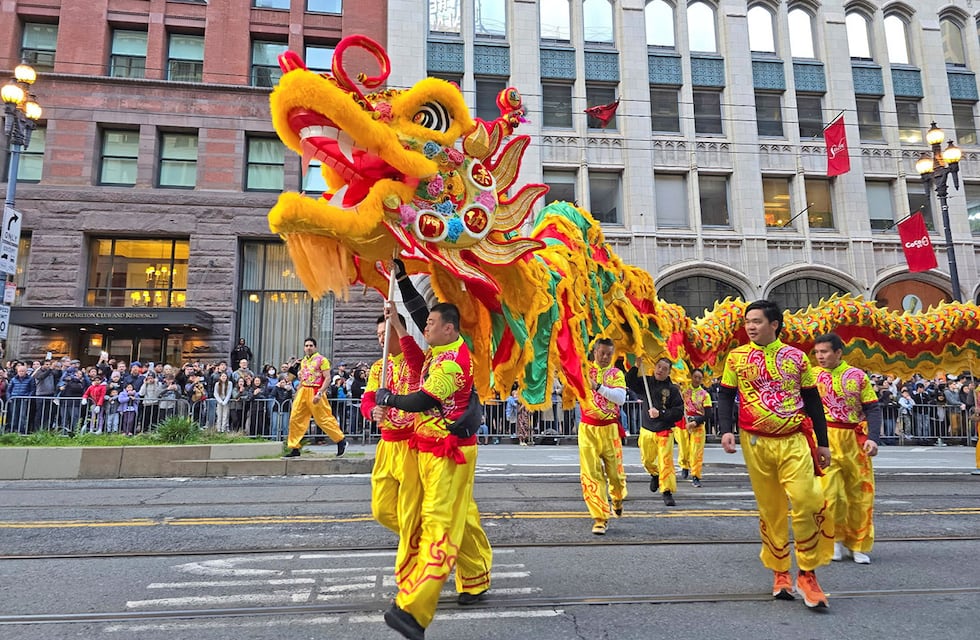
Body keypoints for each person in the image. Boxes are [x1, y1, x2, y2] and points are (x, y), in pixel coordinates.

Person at [374, 302, 492, 640]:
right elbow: (417, 319)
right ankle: (475, 575)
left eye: (429, 323)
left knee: (438, 525)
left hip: (447, 454)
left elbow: (422, 400)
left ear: (449, 328)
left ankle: (413, 609)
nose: (423, 327)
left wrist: (389, 398)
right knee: (460, 517)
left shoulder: (453, 362)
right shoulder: (436, 350)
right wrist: (401, 282)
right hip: (423, 449)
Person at [717, 299, 833, 609]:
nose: (750, 327)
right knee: (772, 509)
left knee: (809, 500)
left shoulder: (796, 358)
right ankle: (781, 572)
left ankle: (808, 573)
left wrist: (823, 442)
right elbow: (727, 394)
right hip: (755, 442)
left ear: (774, 324)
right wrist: (725, 429)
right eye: (747, 322)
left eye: (756, 321)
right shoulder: (736, 357)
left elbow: (812, 401)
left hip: (793, 439)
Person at [360, 311, 423, 597]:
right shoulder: (377, 368)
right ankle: (427, 541)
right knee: (382, 509)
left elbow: (416, 363)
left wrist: (398, 323)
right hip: (386, 446)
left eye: (387, 333)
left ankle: (412, 578)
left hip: (412, 446)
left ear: (400, 332)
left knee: (410, 514)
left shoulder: (417, 361)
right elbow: (368, 400)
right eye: (378, 335)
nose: (382, 338)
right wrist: (371, 411)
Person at [812, 332, 881, 565]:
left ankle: (858, 544)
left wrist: (873, 437)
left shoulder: (857, 376)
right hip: (825, 440)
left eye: (825, 352)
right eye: (817, 352)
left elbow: (872, 407)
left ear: (838, 352)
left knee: (860, 495)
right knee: (830, 495)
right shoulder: (811, 377)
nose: (820, 357)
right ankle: (834, 541)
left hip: (854, 439)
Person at [578, 338, 629, 534]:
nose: (605, 357)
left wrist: (597, 386)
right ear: (595, 352)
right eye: (602, 353)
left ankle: (617, 497)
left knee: (615, 475)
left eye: (609, 353)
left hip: (610, 430)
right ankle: (600, 517)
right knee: (591, 474)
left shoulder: (616, 374)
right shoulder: (584, 370)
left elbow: (621, 399)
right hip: (588, 429)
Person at [625, 356, 684, 506]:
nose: (660, 370)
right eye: (659, 367)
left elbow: (678, 412)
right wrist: (636, 366)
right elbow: (629, 383)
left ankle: (667, 491)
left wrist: (661, 414)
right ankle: (655, 474)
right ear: (654, 367)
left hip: (664, 431)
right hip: (646, 429)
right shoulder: (646, 382)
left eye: (664, 369)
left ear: (669, 372)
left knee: (666, 462)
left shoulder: (672, 390)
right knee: (647, 460)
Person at [283, 338, 347, 458]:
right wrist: (297, 393)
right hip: (303, 390)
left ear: (315, 347)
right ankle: (294, 447)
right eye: (306, 345)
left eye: (311, 345)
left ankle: (340, 440)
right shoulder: (303, 362)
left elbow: (327, 378)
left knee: (323, 418)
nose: (308, 347)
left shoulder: (322, 360)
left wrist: (320, 393)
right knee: (295, 418)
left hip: (315, 390)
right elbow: (302, 378)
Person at [681, 368, 713, 488]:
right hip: (684, 423)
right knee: (684, 449)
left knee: (696, 452)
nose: (697, 379)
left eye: (700, 378)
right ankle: (684, 465)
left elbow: (708, 414)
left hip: (698, 425)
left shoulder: (705, 395)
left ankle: (696, 475)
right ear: (691, 377)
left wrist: (696, 422)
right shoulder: (683, 391)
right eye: (695, 377)